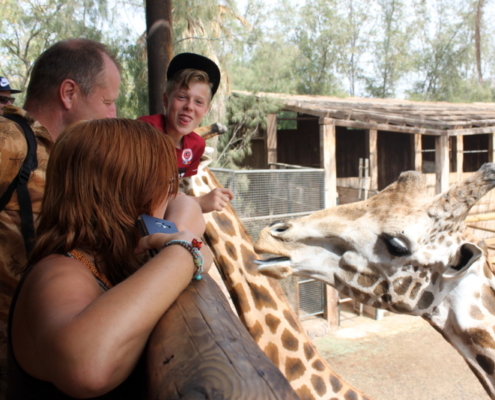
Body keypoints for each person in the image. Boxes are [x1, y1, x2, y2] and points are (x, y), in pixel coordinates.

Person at [7, 118, 213, 399]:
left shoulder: (103, 257)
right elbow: (86, 368)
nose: (172, 191)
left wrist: (181, 238)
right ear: (128, 193)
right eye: (165, 182)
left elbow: (184, 204)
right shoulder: (58, 274)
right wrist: (185, 252)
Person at [0, 38, 121, 395]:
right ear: (69, 93)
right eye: (108, 102)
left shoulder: (59, 156)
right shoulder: (10, 140)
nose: (113, 115)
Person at [138, 53, 233, 213]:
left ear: (205, 110)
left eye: (198, 102)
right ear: (166, 100)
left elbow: (170, 191)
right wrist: (200, 202)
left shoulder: (196, 145)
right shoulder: (144, 131)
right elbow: (137, 192)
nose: (189, 106)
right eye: (182, 97)